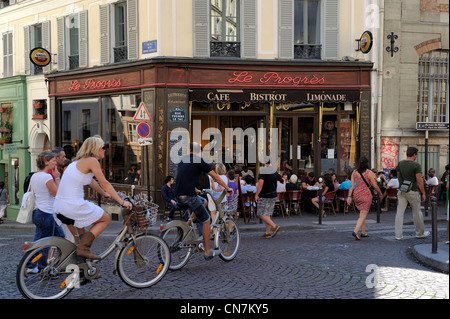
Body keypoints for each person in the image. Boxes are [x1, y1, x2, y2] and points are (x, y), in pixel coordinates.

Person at [54, 136, 133, 259]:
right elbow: (105, 182)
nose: (104, 150)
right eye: (102, 148)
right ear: (96, 149)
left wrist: (104, 194)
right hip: (72, 205)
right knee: (105, 219)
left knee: (81, 236)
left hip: (60, 206)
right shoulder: (92, 161)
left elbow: (91, 181)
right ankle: (84, 249)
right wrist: (121, 202)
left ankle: (81, 266)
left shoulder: (77, 162)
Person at [175, 142, 233, 260]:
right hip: (189, 197)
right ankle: (207, 251)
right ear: (199, 152)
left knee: (203, 202)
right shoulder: (198, 160)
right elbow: (216, 177)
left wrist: (195, 189)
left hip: (179, 195)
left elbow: (183, 178)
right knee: (206, 220)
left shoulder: (182, 160)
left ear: (189, 150)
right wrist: (227, 188)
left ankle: (186, 228)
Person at [394, 147, 429, 240]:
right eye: (416, 154)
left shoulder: (400, 163)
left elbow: (398, 176)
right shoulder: (416, 165)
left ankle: (398, 235)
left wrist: (403, 184)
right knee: (417, 212)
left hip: (401, 190)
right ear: (414, 154)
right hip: (412, 190)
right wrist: (424, 193)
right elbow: (419, 180)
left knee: (400, 212)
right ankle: (420, 233)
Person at [347, 156, 382, 240]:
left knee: (362, 213)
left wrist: (349, 197)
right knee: (363, 215)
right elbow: (375, 186)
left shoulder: (354, 172)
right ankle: (355, 231)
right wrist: (380, 193)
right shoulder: (369, 173)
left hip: (356, 195)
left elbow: (352, 186)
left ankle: (363, 232)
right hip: (366, 195)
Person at [255, 163, 281, 239]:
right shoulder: (274, 171)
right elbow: (280, 179)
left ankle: (274, 226)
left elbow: (260, 183)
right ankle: (267, 232)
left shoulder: (263, 170)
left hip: (265, 194)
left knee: (260, 213)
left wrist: (256, 194)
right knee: (267, 214)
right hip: (273, 194)